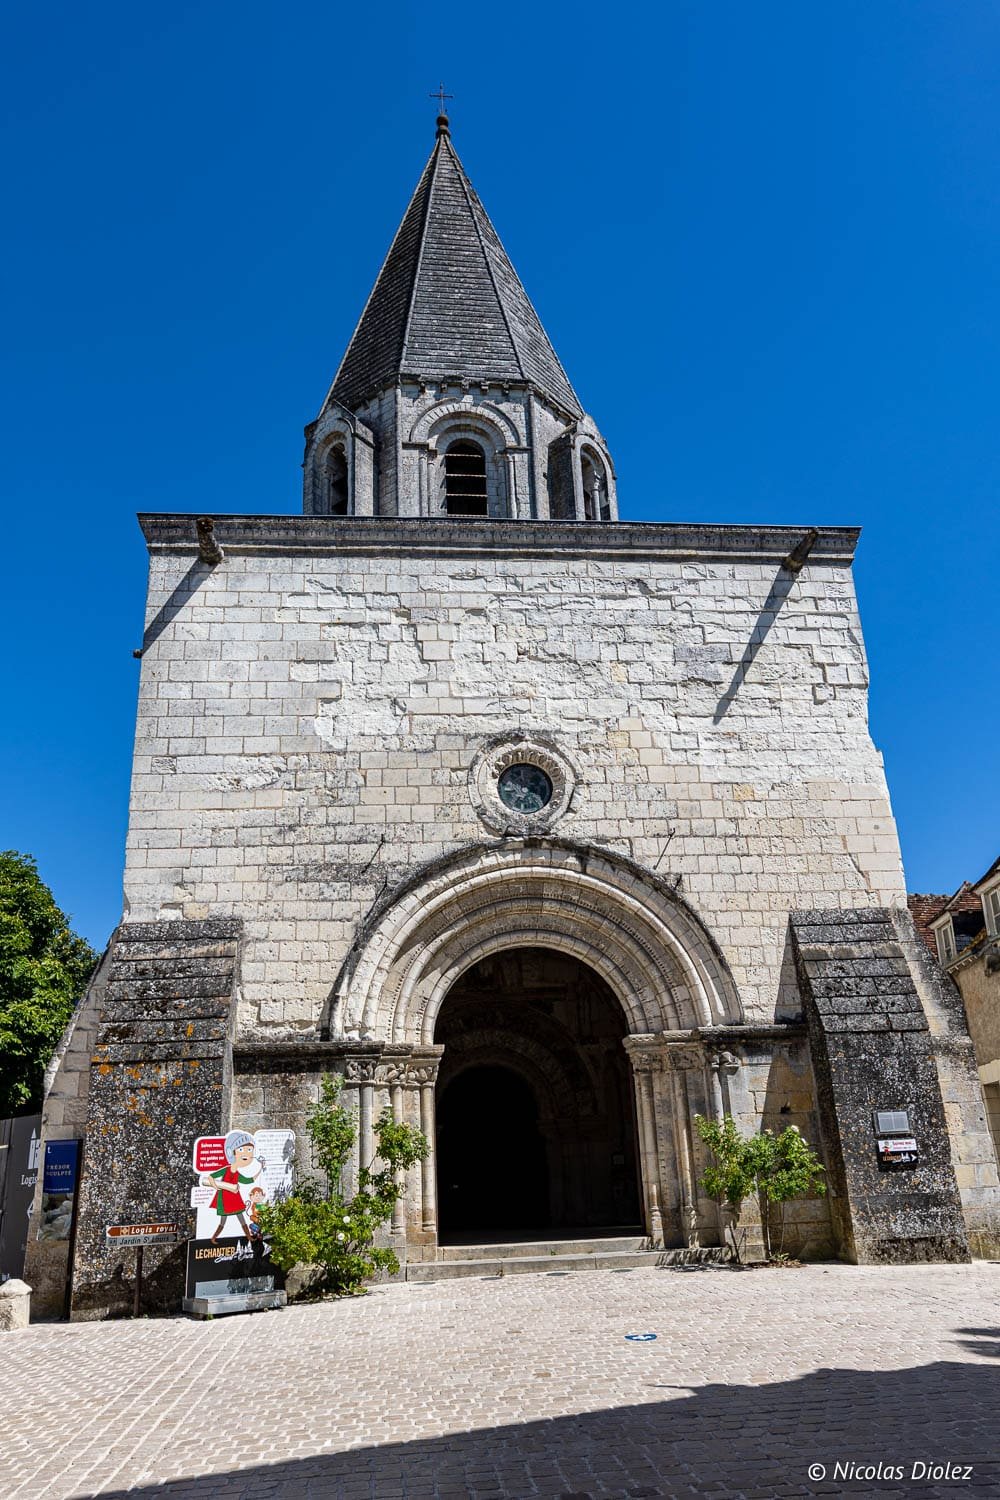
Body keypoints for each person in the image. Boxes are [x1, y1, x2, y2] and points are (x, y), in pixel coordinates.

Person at [200, 1131, 259, 1241]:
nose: (246, 1154)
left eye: (249, 1150)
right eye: (241, 1150)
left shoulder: (237, 1173)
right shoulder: (226, 1169)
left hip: (234, 1199)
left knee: (241, 1219)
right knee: (223, 1221)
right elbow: (211, 1176)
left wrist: (259, 1171)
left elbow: (247, 1180)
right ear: (233, 1153)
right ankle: (213, 1238)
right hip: (224, 1199)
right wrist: (216, 1186)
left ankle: (249, 1237)